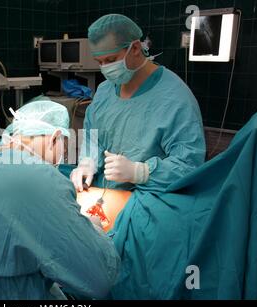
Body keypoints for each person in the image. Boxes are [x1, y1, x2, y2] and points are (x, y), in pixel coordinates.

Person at [0, 101, 119, 300]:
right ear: (55, 138)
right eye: (64, 146)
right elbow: (99, 277)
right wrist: (92, 230)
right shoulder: (39, 178)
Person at [71, 14, 206, 193]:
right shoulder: (105, 91)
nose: (105, 68)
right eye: (100, 62)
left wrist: (140, 172)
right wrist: (87, 162)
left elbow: (189, 164)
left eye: (110, 60)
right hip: (103, 191)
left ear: (135, 48)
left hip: (151, 196)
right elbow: (92, 136)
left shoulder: (175, 98)